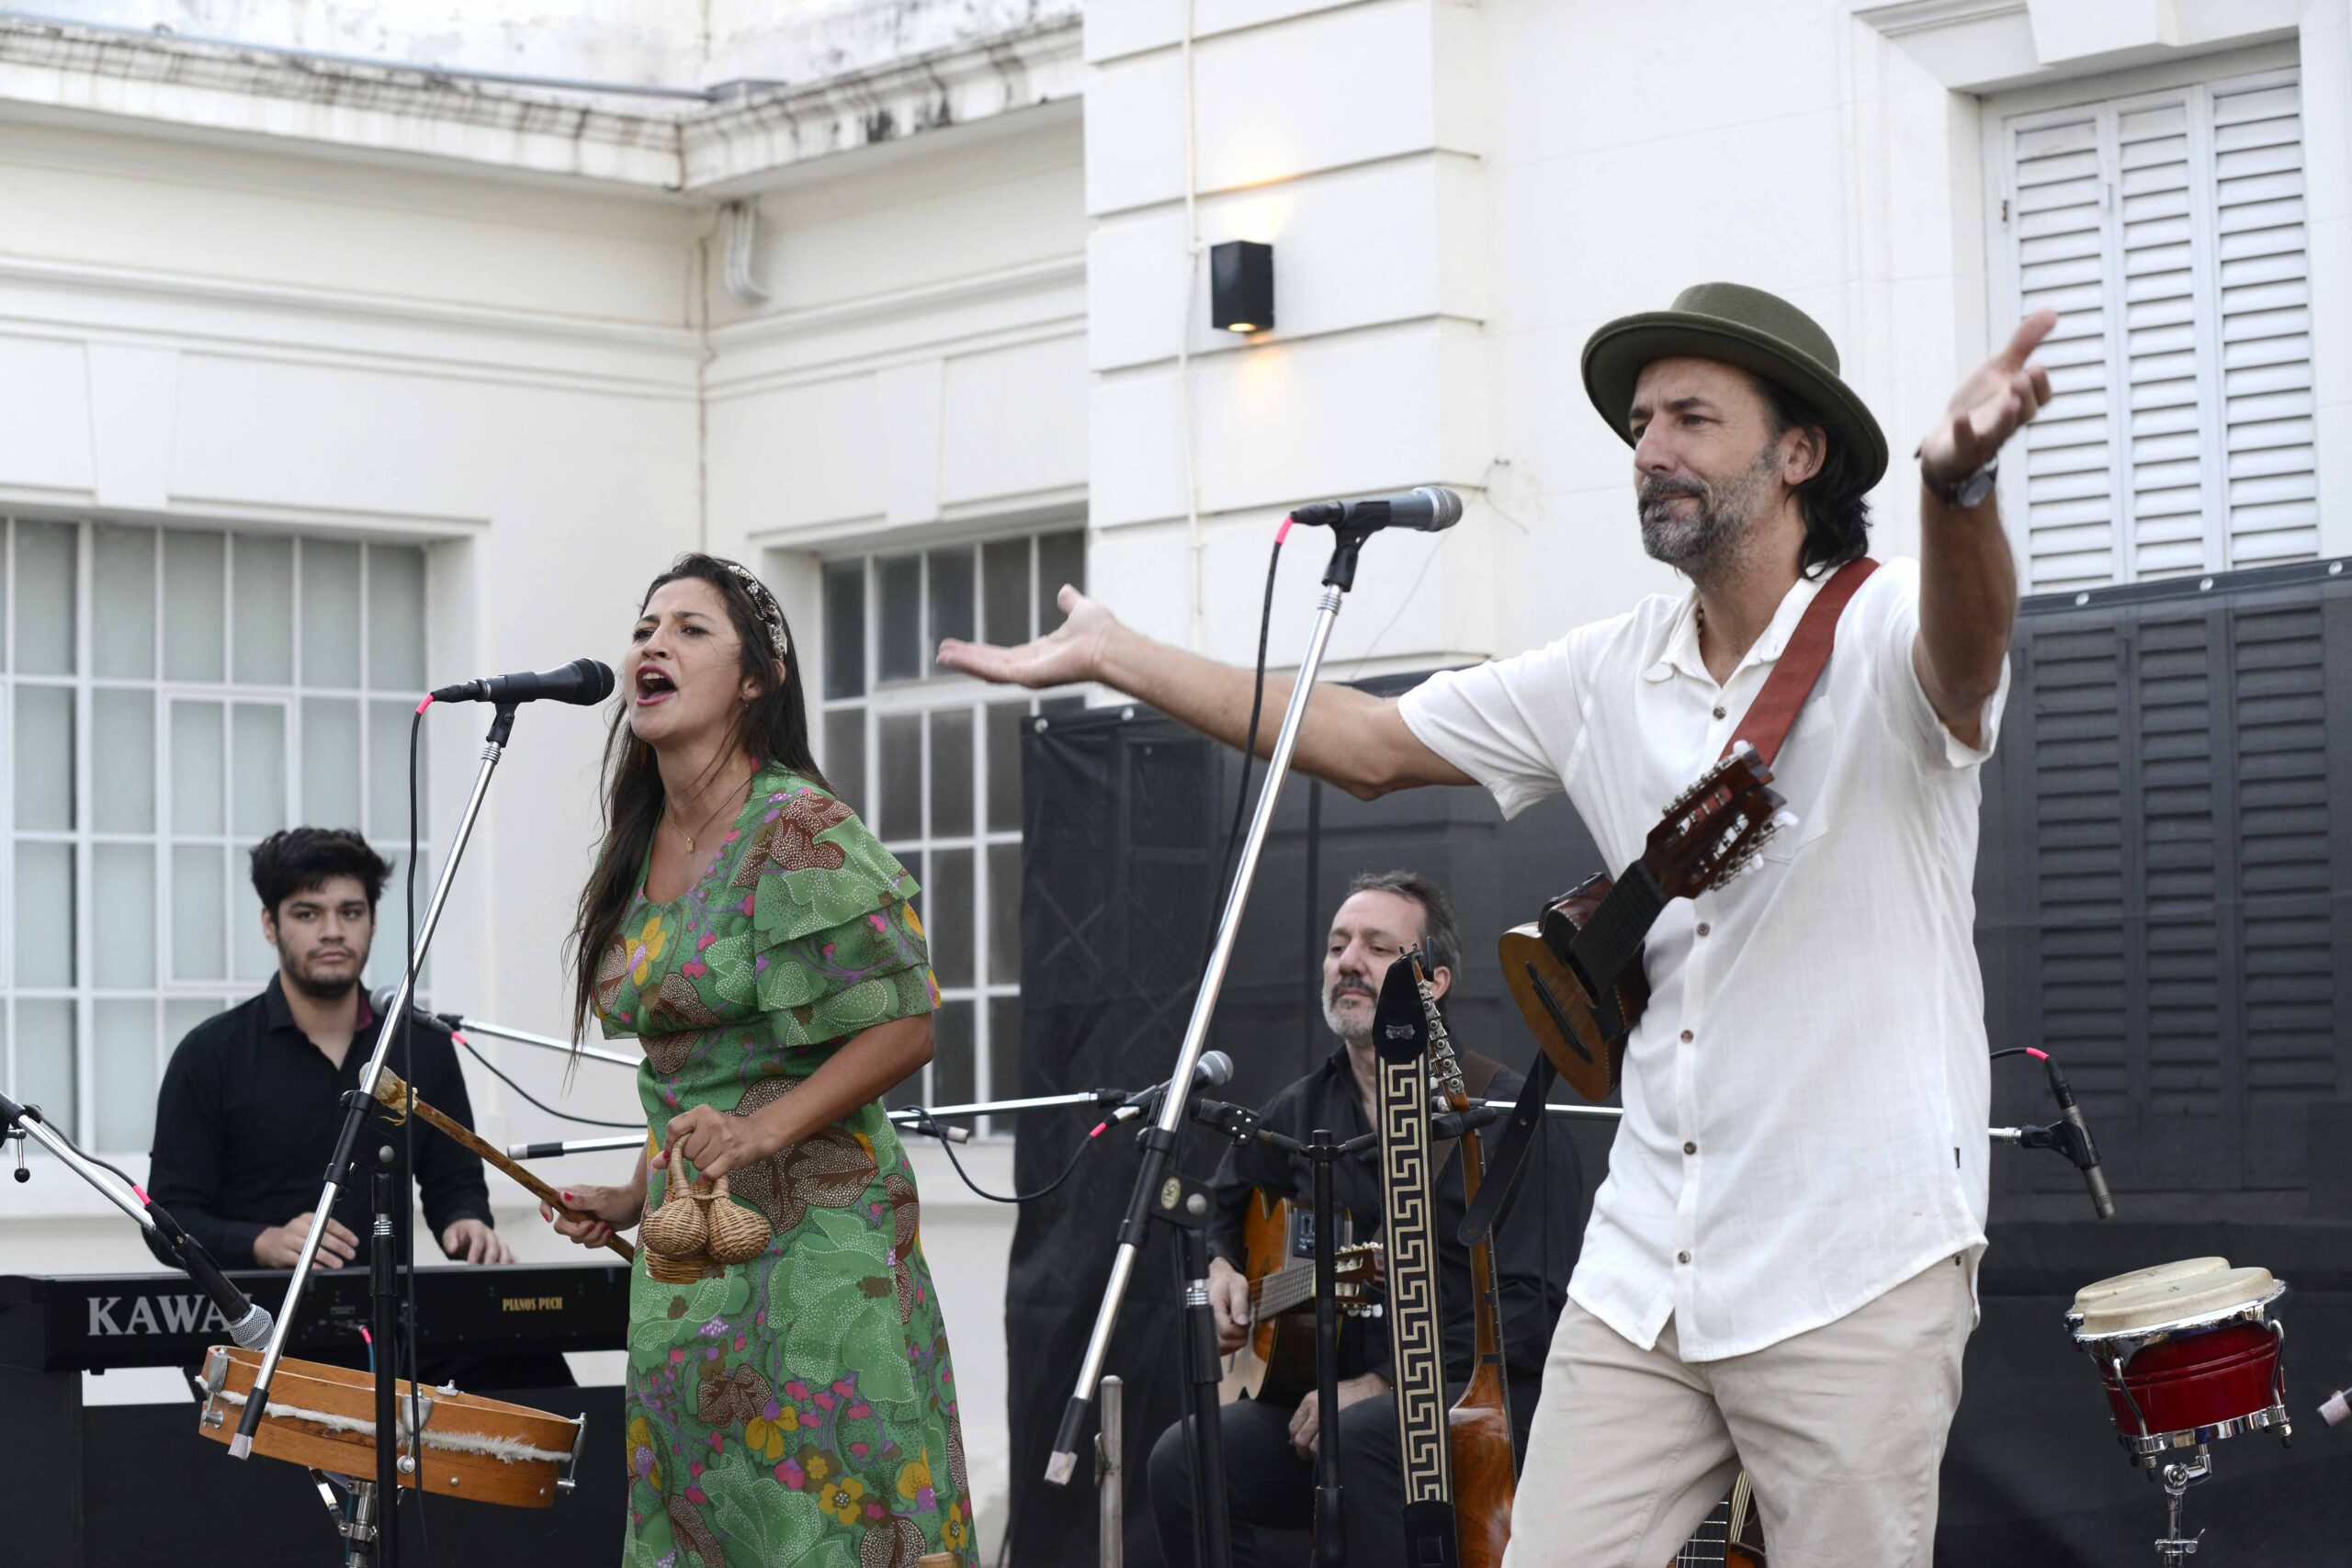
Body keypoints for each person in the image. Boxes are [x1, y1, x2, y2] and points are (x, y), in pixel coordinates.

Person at [941, 282, 2055, 1566]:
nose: (1650, 448)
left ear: (1799, 452)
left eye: (1692, 418)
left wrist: (1957, 489)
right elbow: (1367, 741)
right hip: (1647, 1265)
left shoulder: (1886, 620)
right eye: (1640, 424)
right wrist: (1116, 654)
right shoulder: (1605, 669)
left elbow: (1968, 661)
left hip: (1854, 1256)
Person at [545, 552, 978, 1568]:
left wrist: (758, 1131)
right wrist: (635, 1191)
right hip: (689, 1260)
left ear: (755, 681)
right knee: (706, 1528)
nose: (652, 644)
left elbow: (907, 1026)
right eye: (645, 628)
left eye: (689, 629)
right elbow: (691, 1070)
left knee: (831, 1528)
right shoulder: (636, 843)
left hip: (821, 1253)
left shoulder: (799, 827)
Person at [1148, 871, 1579, 1568]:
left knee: (1366, 1437)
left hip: (1481, 1402)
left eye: (1377, 947)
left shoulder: (1502, 1117)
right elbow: (1220, 1206)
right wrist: (1221, 1267)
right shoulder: (1298, 1111)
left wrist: (1383, 1382)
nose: (1348, 961)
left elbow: (1534, 1312)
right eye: (1337, 945)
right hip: (1323, 1406)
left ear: (1432, 982)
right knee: (1187, 1455)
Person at [146, 827, 508, 1275]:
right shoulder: (209, 1054)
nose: (333, 932)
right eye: (307, 914)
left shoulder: (422, 1046)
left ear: (373, 921)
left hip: (390, 1313)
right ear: (269, 924)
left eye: (350, 912)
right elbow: (166, 1220)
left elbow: (455, 1183)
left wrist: (466, 1222)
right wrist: (262, 1242)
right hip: (259, 1313)